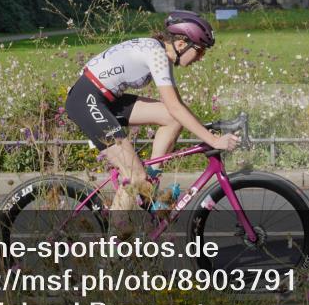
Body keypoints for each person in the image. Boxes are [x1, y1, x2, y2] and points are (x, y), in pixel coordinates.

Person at [65, 11, 240, 214]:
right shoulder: (156, 55)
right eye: (200, 51)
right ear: (182, 44)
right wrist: (213, 140)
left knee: (171, 119)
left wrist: (206, 129)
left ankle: (150, 185)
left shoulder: (160, 53)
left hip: (104, 98)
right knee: (134, 176)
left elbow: (176, 108)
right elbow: (175, 106)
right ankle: (113, 240)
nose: (201, 58)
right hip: (86, 100)